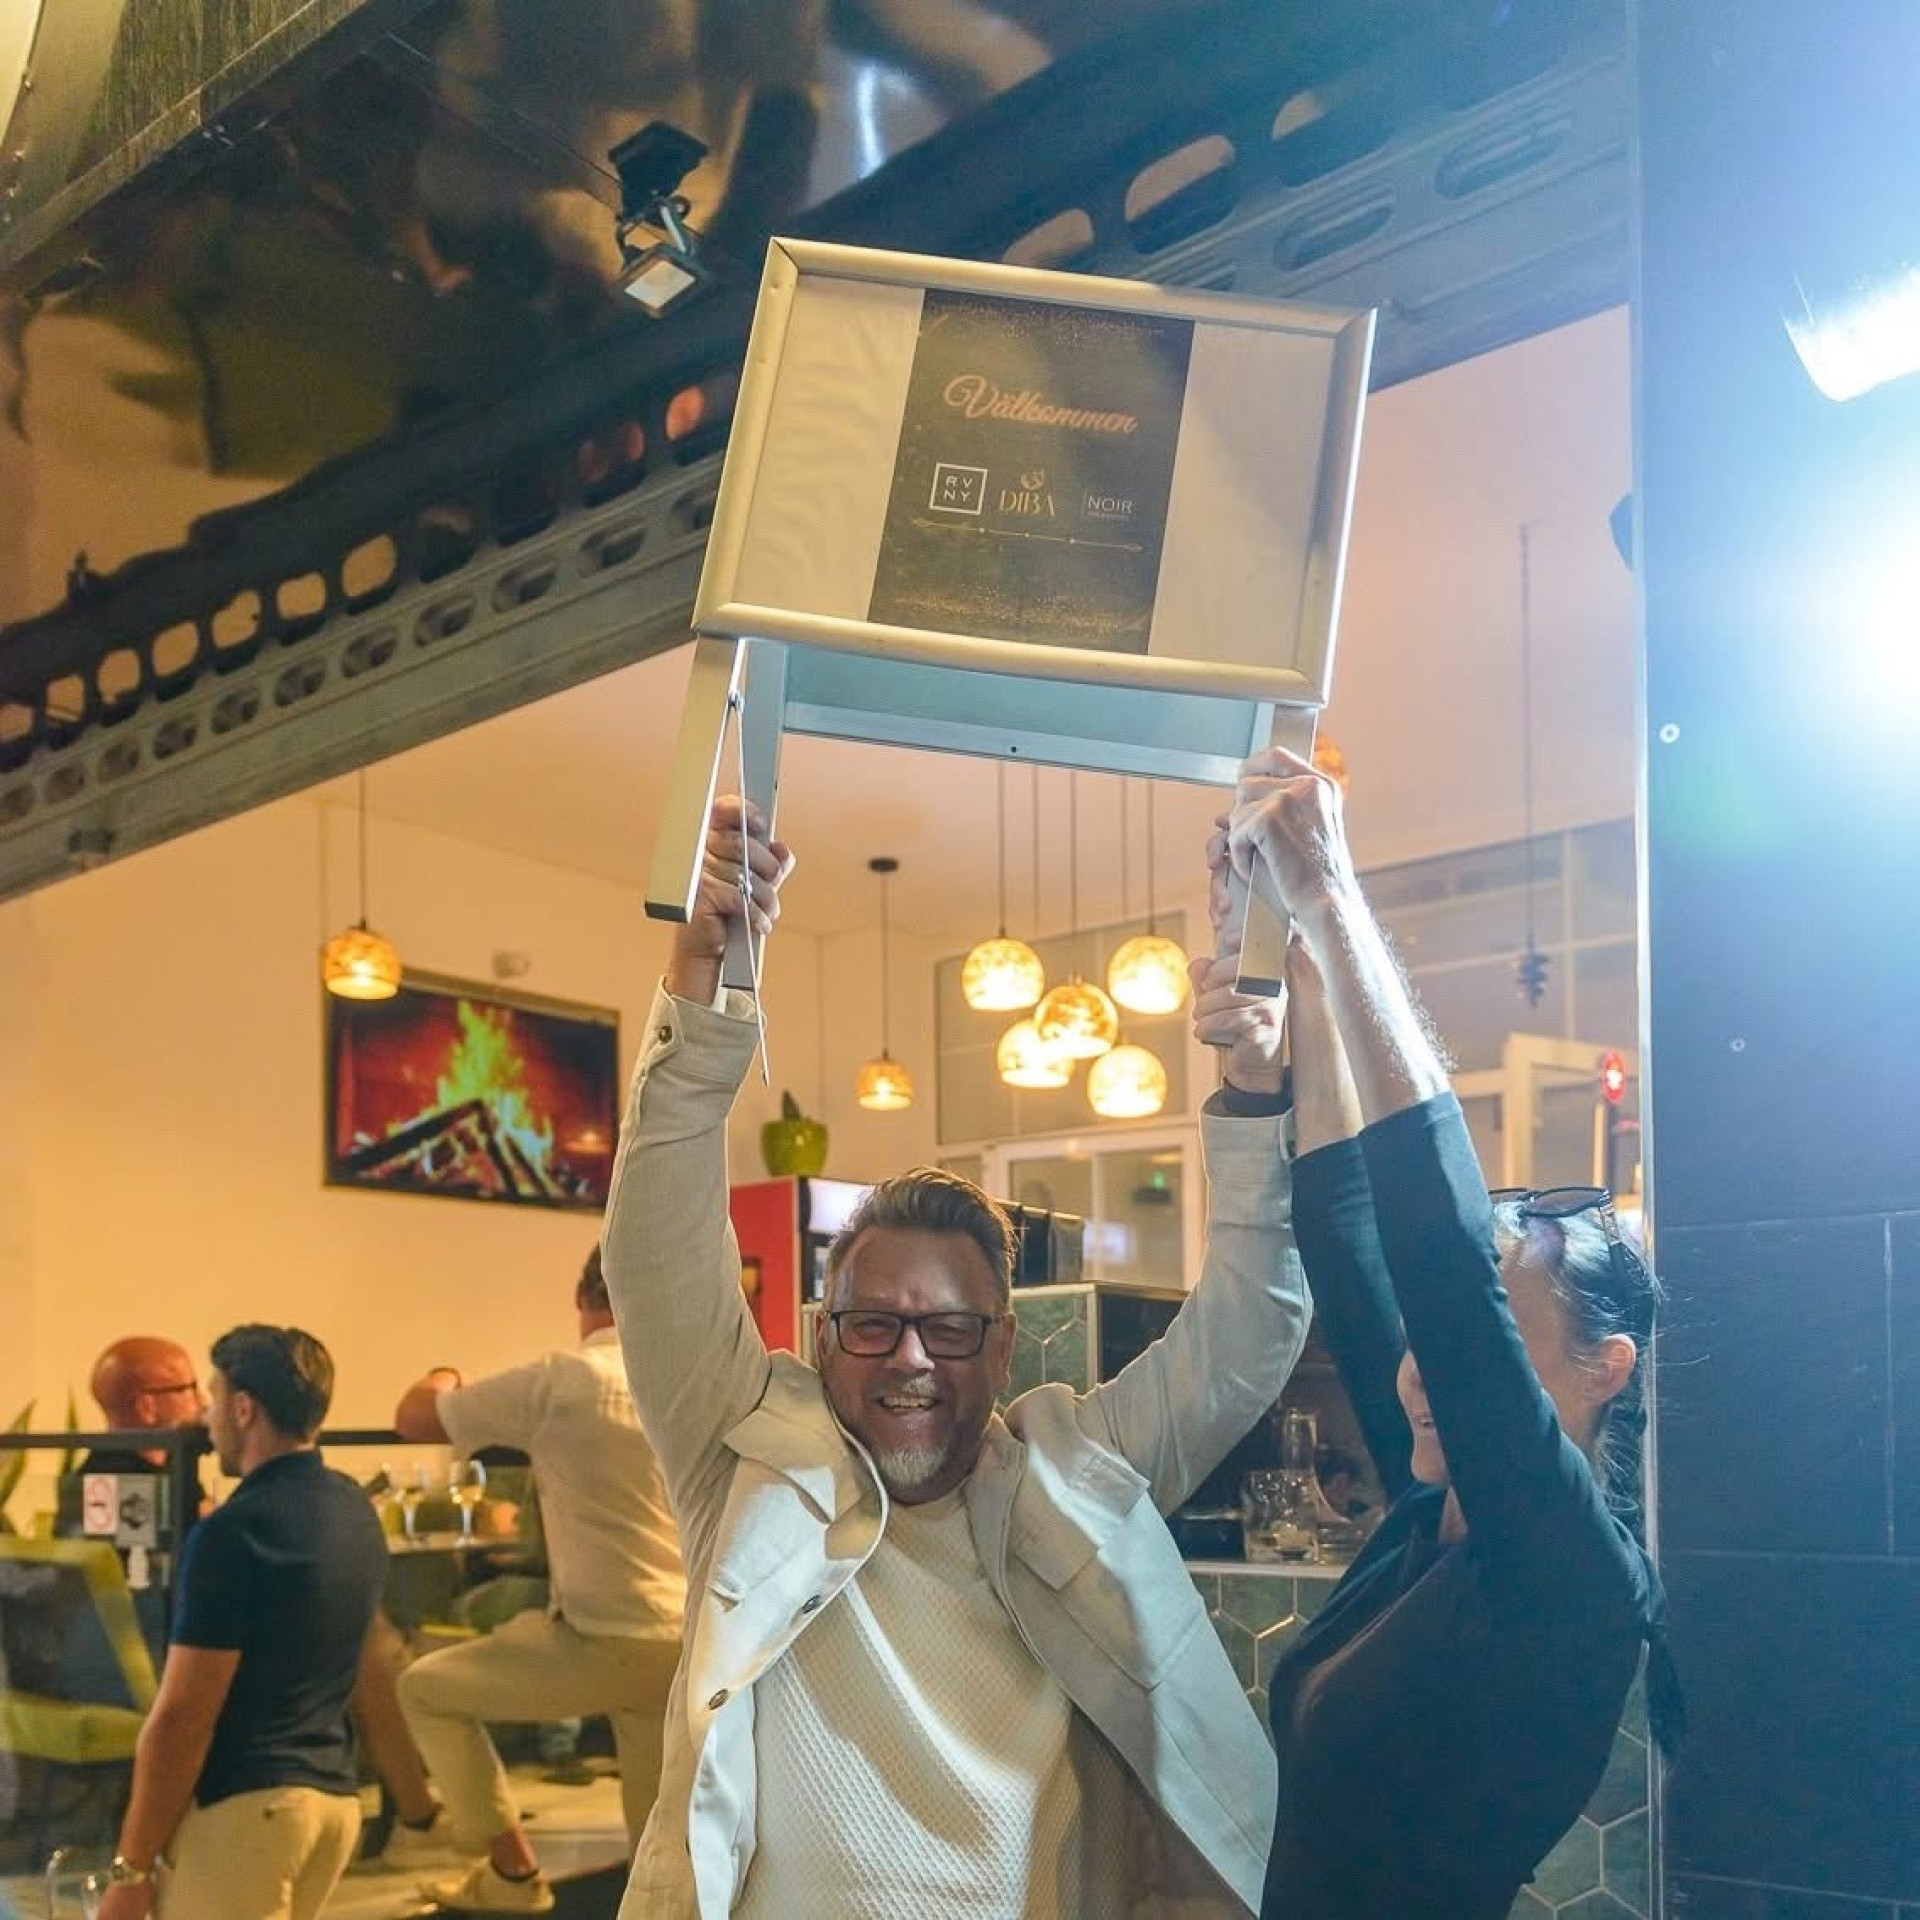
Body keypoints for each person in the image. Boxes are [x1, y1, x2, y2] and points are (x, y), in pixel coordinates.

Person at [599, 796, 1314, 1919]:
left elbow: (1247, 1333)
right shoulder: (744, 1460)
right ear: (824, 1334)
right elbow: (655, 1251)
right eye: (873, 1324)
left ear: (1004, 1343)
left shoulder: (1075, 1475)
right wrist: (702, 988)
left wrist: (1257, 1090)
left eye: (949, 1328)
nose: (911, 1361)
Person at [1215, 746, 1679, 1920]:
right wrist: (1298, 972)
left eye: (1491, 1340)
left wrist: (1332, 892)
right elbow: (1350, 1231)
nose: (1426, 1376)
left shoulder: (1570, 1569)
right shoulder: (1431, 1518)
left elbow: (1437, 1255)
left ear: (1606, 1369)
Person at [389, 1246, 687, 1915]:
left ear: (584, 1301)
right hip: (693, 1644)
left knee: (423, 1690)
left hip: (605, 1639)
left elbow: (416, 1416)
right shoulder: (688, 1384)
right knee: (658, 1861)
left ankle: (512, 1871)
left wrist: (444, 1372)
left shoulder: (565, 1379)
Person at [92, 1324, 387, 1920]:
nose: (206, 1417)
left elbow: (182, 1717)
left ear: (245, 1409)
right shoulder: (354, 1506)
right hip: (334, 1803)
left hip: (249, 1811)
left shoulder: (234, 1532)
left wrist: (131, 1869)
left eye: (213, 1397)